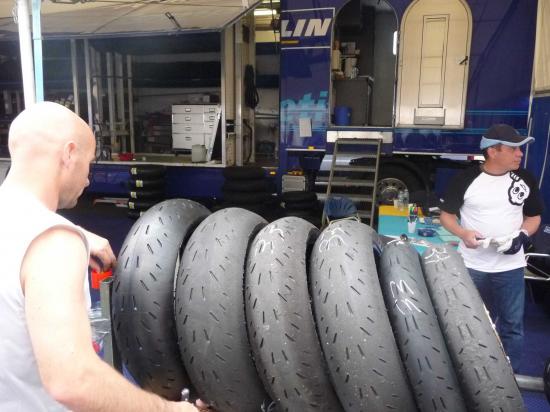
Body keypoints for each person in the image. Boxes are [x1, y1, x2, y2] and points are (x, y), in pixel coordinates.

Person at [0, 102, 207, 411]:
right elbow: (74, 381)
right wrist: (170, 410)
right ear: (69, 154)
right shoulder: (54, 242)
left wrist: (78, 234)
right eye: (89, 163)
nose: (87, 179)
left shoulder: (28, 228)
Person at [440, 123, 544, 373]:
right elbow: (446, 216)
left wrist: (521, 236)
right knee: (469, 323)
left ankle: (509, 378)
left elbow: (534, 217)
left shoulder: (525, 179)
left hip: (511, 268)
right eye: (513, 149)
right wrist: (463, 233)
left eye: (520, 149)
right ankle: (470, 375)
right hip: (472, 267)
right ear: (493, 151)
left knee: (512, 326)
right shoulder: (465, 179)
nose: (520, 153)